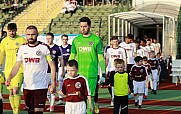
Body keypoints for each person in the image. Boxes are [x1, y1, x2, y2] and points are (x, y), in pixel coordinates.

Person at [5, 25, 56, 114]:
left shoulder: (44, 48)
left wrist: (53, 83)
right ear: (26, 35)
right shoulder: (22, 48)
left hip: (41, 87)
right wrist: (9, 77)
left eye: (33, 34)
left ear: (37, 34)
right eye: (28, 34)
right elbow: (17, 65)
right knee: (31, 111)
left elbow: (52, 66)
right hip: (27, 87)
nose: (30, 37)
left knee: (38, 112)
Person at [69, 17, 106, 114]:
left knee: (90, 97)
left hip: (91, 74)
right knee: (79, 97)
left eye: (85, 26)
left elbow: (101, 57)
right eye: (81, 26)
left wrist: (103, 73)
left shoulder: (96, 40)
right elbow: (72, 56)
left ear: (89, 26)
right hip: (79, 74)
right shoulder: (76, 40)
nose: (83, 28)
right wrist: (68, 71)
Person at [0, 23, 26, 114]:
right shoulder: (4, 41)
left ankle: (16, 111)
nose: (12, 33)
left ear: (16, 30)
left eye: (13, 31)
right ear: (7, 31)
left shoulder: (22, 40)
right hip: (8, 70)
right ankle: (13, 109)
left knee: (15, 90)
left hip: (19, 69)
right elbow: (1, 54)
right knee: (10, 92)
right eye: (10, 31)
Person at [105, 36, 127, 106]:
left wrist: (125, 69)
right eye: (114, 41)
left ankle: (118, 98)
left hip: (120, 70)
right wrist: (104, 70)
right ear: (111, 42)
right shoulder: (108, 50)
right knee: (110, 85)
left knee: (119, 84)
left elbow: (124, 60)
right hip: (111, 69)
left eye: (116, 41)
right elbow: (106, 60)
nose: (115, 43)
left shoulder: (122, 50)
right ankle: (113, 97)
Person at [46, 32, 64, 112]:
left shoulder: (57, 48)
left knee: (52, 88)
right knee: (46, 89)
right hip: (44, 72)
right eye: (47, 38)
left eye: (49, 38)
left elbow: (61, 59)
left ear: (53, 38)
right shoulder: (44, 47)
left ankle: (52, 106)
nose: (48, 40)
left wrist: (62, 69)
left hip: (53, 71)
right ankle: (50, 104)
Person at [56, 34, 71, 105]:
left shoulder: (70, 47)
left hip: (69, 68)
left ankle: (70, 97)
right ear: (61, 40)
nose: (65, 40)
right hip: (61, 67)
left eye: (66, 39)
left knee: (69, 82)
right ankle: (60, 98)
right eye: (63, 39)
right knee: (60, 82)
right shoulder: (59, 48)